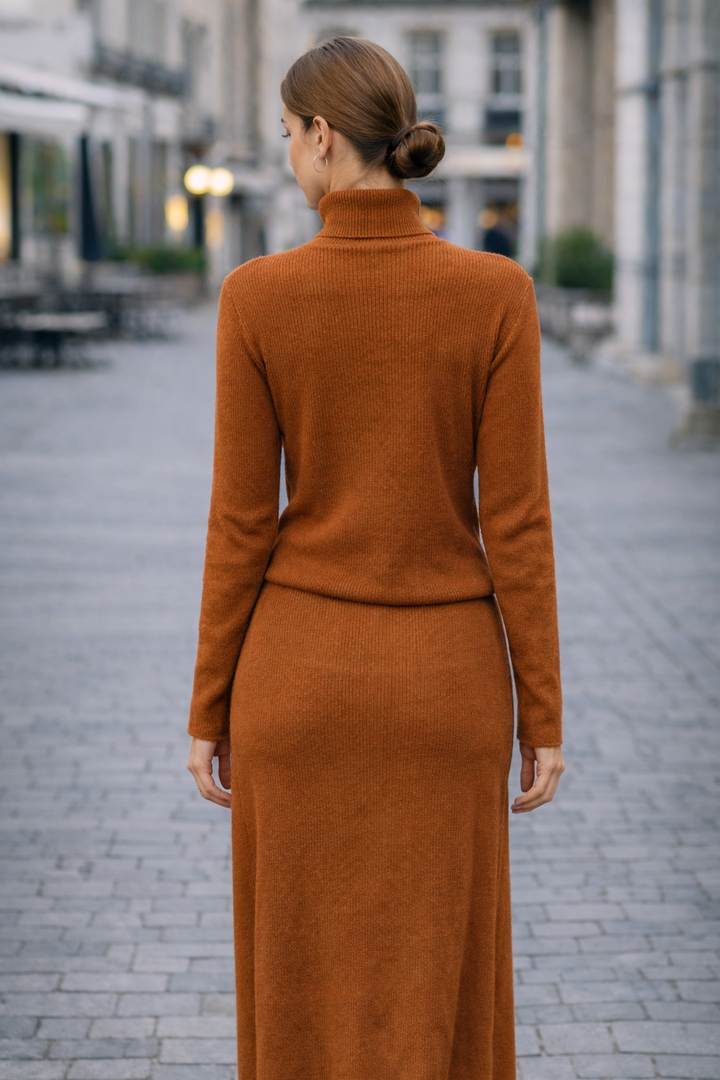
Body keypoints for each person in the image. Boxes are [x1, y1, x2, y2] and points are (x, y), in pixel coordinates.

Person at [186, 36, 564, 1080]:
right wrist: (545, 714)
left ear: (319, 136)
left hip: (297, 685)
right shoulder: (497, 294)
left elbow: (238, 525)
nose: (288, 154)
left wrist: (208, 706)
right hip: (449, 689)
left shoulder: (257, 298)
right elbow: (520, 525)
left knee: (297, 990)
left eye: (286, 134)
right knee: (440, 987)